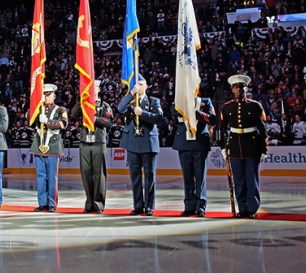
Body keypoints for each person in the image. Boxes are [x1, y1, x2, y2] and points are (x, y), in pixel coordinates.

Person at [220, 75, 268, 219]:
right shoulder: (226, 107)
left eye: (242, 88)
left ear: (246, 89)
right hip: (235, 147)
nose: (239, 90)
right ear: (232, 89)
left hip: (252, 147)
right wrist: (223, 147)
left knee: (251, 180)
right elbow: (223, 130)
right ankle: (243, 208)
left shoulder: (255, 106)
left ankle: (252, 208)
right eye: (236, 88)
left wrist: (264, 148)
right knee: (239, 180)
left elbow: (262, 128)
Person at [117, 75, 163, 216]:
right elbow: (120, 108)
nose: (139, 87)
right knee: (135, 176)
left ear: (147, 87)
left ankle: (149, 205)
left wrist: (143, 113)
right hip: (132, 142)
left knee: (149, 176)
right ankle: (138, 205)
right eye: (137, 85)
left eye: (141, 84)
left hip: (148, 142)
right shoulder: (131, 101)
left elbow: (159, 118)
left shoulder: (153, 101)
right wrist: (131, 93)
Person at [71, 80, 113, 214]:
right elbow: (74, 113)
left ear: (98, 90)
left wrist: (96, 120)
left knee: (99, 174)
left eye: (93, 87)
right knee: (86, 174)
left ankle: (98, 203)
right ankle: (89, 203)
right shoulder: (84, 105)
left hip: (98, 142)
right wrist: (82, 100)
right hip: (84, 141)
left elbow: (109, 122)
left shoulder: (104, 106)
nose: (90, 89)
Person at [171, 97, 217, 217]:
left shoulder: (205, 101)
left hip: (200, 142)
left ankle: (200, 206)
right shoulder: (180, 99)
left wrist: (194, 112)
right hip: (184, 142)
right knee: (187, 177)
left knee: (200, 177)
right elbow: (172, 112)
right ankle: (189, 206)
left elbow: (212, 119)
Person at [28, 84, 68, 212]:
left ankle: (52, 203)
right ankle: (42, 203)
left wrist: (48, 122)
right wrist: (35, 104)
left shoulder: (60, 109)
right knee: (40, 176)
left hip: (53, 145)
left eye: (48, 94)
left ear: (54, 95)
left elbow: (63, 124)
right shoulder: (38, 109)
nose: (46, 97)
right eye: (44, 94)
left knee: (52, 177)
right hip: (39, 144)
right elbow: (29, 119)